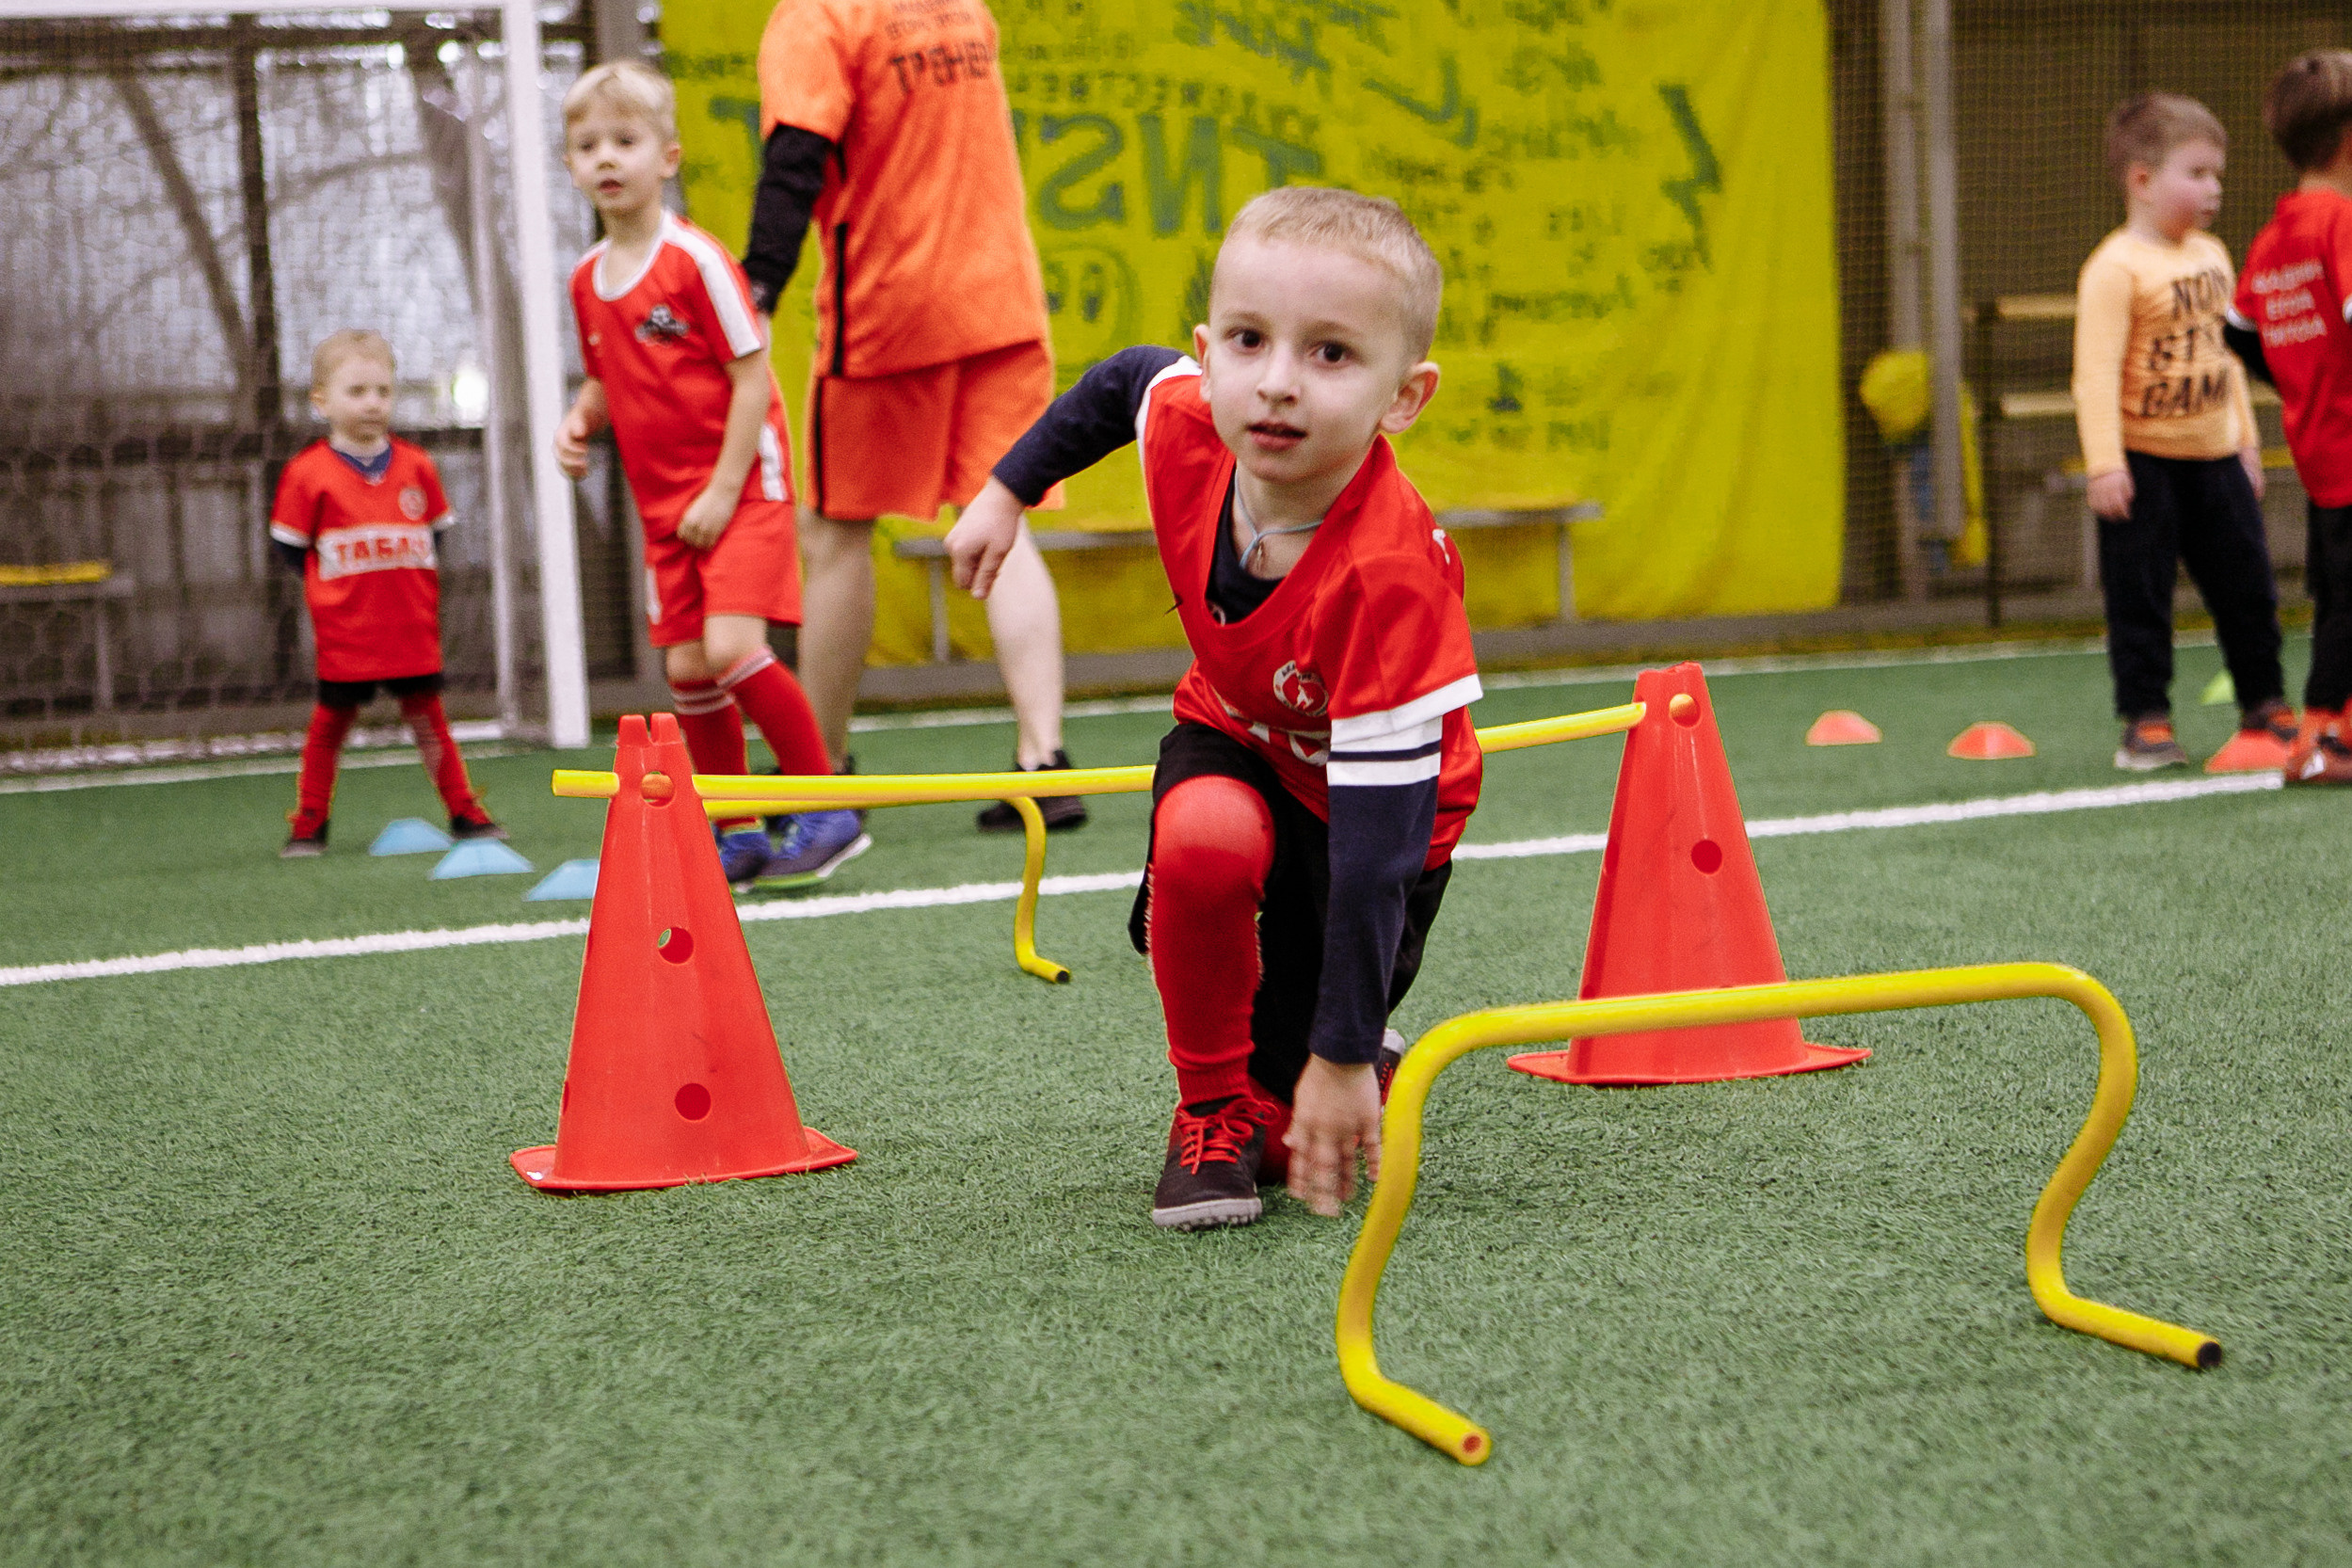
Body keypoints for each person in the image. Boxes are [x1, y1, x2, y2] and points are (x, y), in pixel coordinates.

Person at [947, 187, 1480, 1230]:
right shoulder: (1191, 424)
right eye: (1249, 340)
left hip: (1374, 819)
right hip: (1235, 736)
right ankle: (1206, 1112)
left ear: (1404, 397)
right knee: (1202, 838)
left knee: (1305, 1136)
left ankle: (1327, 1058)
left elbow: (1378, 856)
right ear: (1212, 346)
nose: (1277, 383)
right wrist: (1005, 492)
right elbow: (1119, 384)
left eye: (1331, 355)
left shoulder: (1388, 581)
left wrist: (1336, 1056)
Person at [744, 0, 1085, 834]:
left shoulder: (814, 18)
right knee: (1004, 520)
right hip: (1000, 297)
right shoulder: (959, 7)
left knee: (834, 533)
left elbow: (796, 156)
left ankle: (820, 771)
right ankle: (1043, 761)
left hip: (888, 311)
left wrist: (753, 291)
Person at [553, 61, 865, 888]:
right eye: (588, 145)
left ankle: (825, 804)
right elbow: (603, 377)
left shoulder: (695, 261)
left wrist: (725, 488)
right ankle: (735, 832)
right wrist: (579, 422)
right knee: (688, 670)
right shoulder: (585, 281)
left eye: (626, 139)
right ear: (570, 166)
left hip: (739, 486)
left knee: (731, 648)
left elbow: (751, 375)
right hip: (665, 509)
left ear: (669, 157)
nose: (606, 158)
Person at [2074, 93, 2293, 772]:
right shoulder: (2113, 268)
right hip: (2143, 463)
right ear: (2140, 179)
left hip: (2215, 457)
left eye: (2216, 174)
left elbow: (2228, 363)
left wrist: (2247, 445)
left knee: (2247, 587)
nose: (2213, 189)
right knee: (2139, 595)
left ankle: (2265, 705)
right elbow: (2095, 374)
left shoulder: (2212, 256)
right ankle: (2145, 721)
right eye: (2195, 174)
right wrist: (2106, 464)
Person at [270, 329, 504, 856]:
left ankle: (465, 811)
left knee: (430, 723)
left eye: (382, 391)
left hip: (410, 630)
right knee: (329, 727)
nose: (372, 403)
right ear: (321, 400)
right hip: (347, 635)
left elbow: (436, 536)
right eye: (356, 392)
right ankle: (309, 821)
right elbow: (289, 549)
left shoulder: (417, 465)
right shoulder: (308, 474)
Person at [2227, 52, 2352, 786]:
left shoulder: (2275, 235)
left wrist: (2302, 381)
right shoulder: (2341, 222)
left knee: (2337, 595)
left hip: (2318, 445)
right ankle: (2316, 741)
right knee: (2346, 603)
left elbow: (2238, 327)